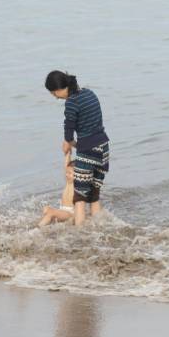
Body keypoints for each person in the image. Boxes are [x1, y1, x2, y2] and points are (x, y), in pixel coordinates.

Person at [45, 71, 109, 226]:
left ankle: (81, 234)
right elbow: (91, 127)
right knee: (94, 195)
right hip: (103, 147)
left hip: (88, 151)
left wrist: (68, 142)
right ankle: (99, 226)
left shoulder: (71, 102)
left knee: (79, 197)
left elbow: (69, 126)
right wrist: (74, 143)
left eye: (54, 93)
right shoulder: (89, 93)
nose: (55, 97)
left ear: (60, 88)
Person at [38, 153, 75, 226]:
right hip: (62, 210)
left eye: (70, 173)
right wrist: (68, 153)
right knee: (46, 209)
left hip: (70, 213)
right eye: (67, 173)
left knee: (51, 212)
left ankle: (38, 228)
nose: (67, 175)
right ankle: (46, 224)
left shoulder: (77, 185)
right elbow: (66, 166)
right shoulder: (68, 182)